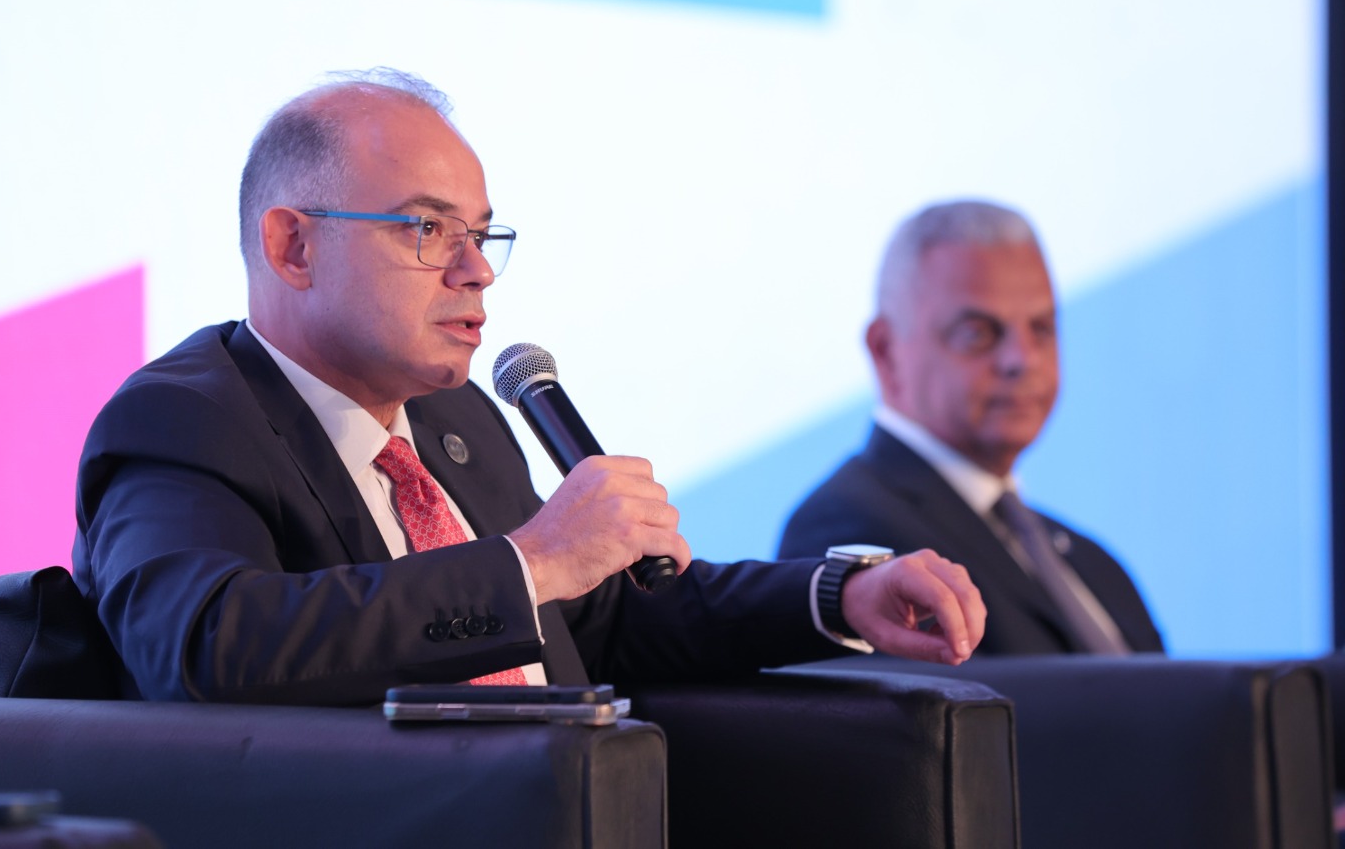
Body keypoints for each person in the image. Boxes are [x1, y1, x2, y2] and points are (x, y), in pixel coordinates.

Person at [73, 69, 985, 706]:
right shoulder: (185, 420)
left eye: (481, 235)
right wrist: (534, 561)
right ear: (294, 246)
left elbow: (608, 620)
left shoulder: (457, 417)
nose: (475, 270)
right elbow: (205, 643)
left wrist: (837, 595)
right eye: (427, 230)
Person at [778, 200, 1164, 655]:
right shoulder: (848, 530)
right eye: (978, 332)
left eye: (1041, 329)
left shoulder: (1089, 561)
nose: (1022, 359)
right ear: (887, 351)